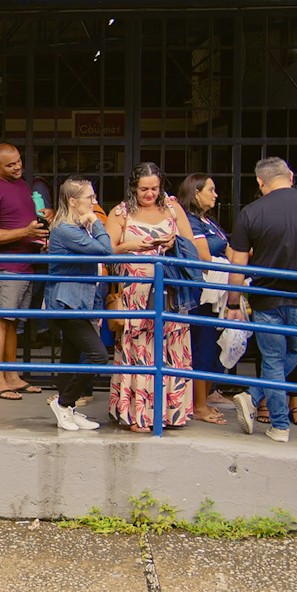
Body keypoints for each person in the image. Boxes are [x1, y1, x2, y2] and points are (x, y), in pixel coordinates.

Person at [224, 157, 297, 443]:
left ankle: (274, 420)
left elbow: (238, 265)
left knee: (273, 360)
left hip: (267, 298)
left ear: (260, 182)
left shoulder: (252, 212)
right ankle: (260, 404)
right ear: (290, 175)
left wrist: (233, 303)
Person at [105, 163, 198, 432]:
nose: (149, 194)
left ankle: (170, 413)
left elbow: (191, 245)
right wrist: (129, 246)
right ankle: (138, 415)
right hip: (135, 295)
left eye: (154, 189)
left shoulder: (173, 208)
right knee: (139, 349)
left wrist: (173, 243)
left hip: (170, 291)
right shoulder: (121, 212)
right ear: (134, 187)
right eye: (144, 189)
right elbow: (105, 251)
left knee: (171, 346)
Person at [0, 144, 48, 402]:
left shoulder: (21, 185)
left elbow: (24, 221)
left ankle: (12, 377)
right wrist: (26, 232)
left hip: (25, 263)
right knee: (1, 321)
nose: (17, 167)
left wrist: (39, 232)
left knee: (13, 323)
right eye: (10, 165)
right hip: (6, 265)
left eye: (18, 161)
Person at [41, 178, 108, 431]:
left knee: (69, 357)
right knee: (98, 355)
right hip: (66, 303)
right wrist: (96, 221)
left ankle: (67, 408)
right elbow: (106, 250)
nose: (94, 202)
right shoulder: (66, 230)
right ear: (72, 201)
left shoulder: (74, 227)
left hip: (75, 302)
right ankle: (63, 404)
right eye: (89, 197)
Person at [178, 173, 237, 425]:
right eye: (210, 190)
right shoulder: (190, 221)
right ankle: (199, 406)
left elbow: (234, 252)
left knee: (212, 345)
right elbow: (202, 256)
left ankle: (205, 397)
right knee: (201, 345)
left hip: (216, 293)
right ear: (196, 193)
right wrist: (227, 260)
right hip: (200, 294)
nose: (216, 194)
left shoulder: (209, 221)